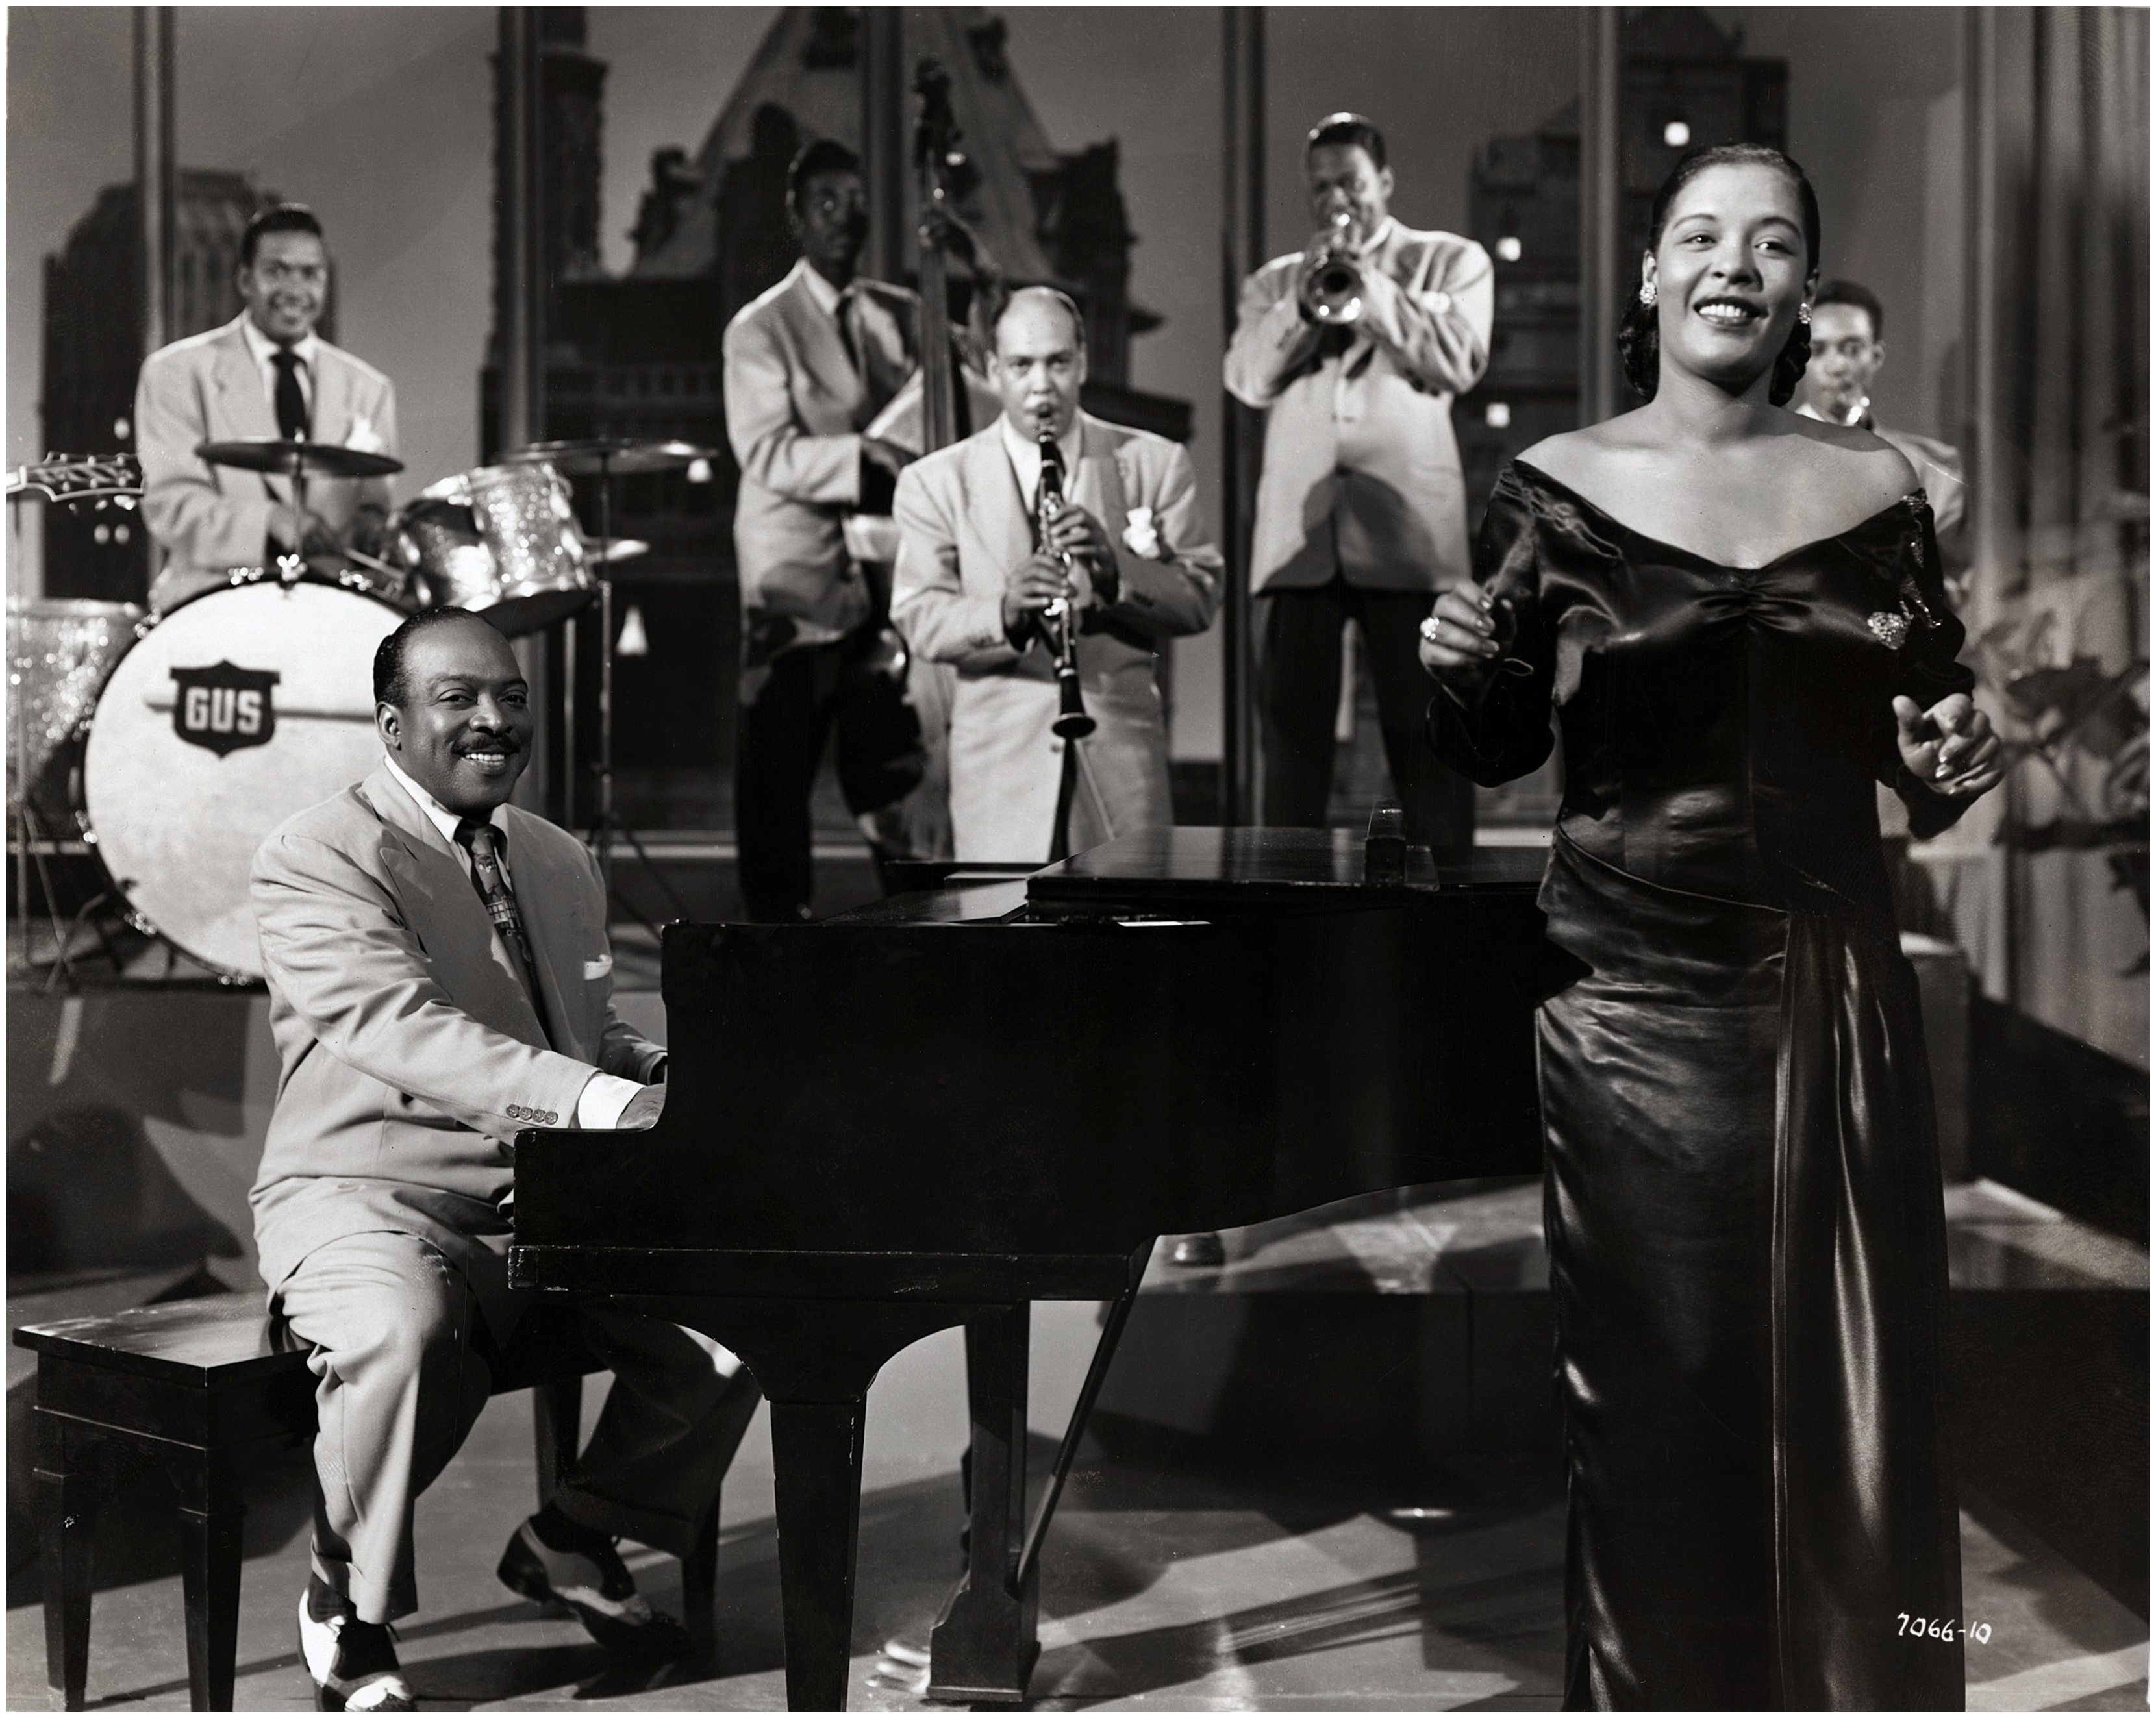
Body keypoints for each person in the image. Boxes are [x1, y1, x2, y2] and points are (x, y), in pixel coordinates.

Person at [1418, 145, 2002, 1709]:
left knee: (1851, 1400)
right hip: (1625, 1004)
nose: (1732, 263)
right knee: (1656, 1407)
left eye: (1770, 241)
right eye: (1699, 235)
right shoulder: (1552, 485)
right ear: (1652, 275)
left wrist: (1951, 745)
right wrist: (1459, 666)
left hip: (1828, 988)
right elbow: (1497, 743)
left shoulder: (1882, 495)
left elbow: (1922, 725)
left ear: (1804, 289)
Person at [251, 608, 761, 1712]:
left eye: (513, 697)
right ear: (392, 725)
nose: (494, 719)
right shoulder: (316, 853)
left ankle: (575, 1534)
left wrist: (676, 1074)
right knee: (401, 1331)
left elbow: (580, 1032)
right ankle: (347, 1598)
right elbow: (400, 1027)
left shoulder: (558, 854)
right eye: (459, 699)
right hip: (371, 1194)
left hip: (550, 1193)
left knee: (743, 1313)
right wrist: (603, 1099)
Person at [1225, 113, 1493, 849]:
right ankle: (1285, 904)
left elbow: (1460, 360)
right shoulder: (1274, 282)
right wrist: (1302, 303)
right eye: (1320, 188)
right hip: (1299, 541)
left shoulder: (1450, 261)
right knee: (1291, 757)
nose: (1335, 199)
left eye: (1349, 182)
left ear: (1385, 182)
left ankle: (1448, 901)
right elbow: (1246, 379)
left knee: (1428, 744)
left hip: (1410, 538)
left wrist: (1370, 289)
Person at [890, 287, 1221, 862]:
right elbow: (919, 617)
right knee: (1002, 924)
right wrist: (1004, 611)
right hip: (999, 777)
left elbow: (1199, 596)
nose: (1042, 385)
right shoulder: (935, 481)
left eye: (1058, 363)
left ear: (1083, 363)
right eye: (1022, 366)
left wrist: (1116, 573)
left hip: (1121, 768)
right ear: (993, 369)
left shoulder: (1153, 461)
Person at [722, 139, 925, 921]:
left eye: (856, 201)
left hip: (881, 578)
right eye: (826, 203)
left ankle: (923, 932)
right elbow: (766, 452)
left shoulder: (894, 314)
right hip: (795, 581)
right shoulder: (760, 327)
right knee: (777, 781)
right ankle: (774, 945)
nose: (845, 217)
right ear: (796, 217)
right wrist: (865, 455)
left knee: (892, 773)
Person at [136, 203, 396, 613]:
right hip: (211, 606)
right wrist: (272, 521)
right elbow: (172, 507)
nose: (294, 290)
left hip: (330, 610)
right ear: (245, 279)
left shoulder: (370, 389)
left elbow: (373, 510)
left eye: (310, 274)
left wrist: (374, 532)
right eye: (276, 271)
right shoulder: (176, 372)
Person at [1792, 277, 1968, 540]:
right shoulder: (1766, 458)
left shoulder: (1934, 473)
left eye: (1853, 349)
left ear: (1876, 357)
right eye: (1817, 350)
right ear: (1801, 360)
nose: (1837, 366)